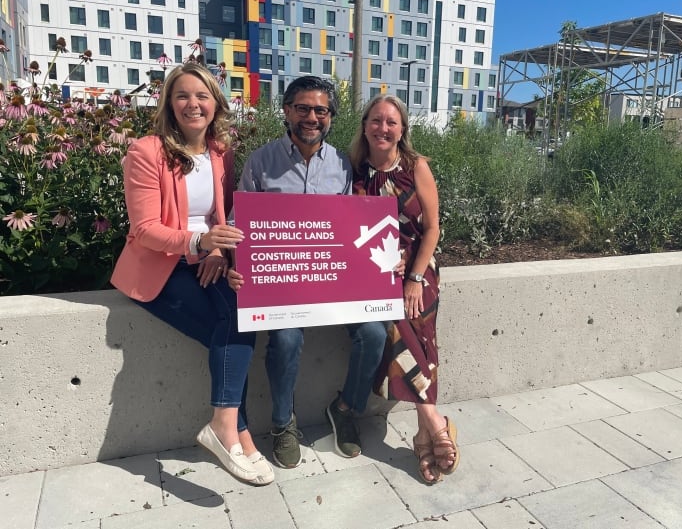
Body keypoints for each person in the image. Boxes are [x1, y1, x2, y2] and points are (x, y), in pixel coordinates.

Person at [110, 63, 274, 486]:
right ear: (169, 104)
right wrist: (201, 244)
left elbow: (221, 215)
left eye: (201, 96)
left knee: (241, 319)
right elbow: (144, 230)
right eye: (182, 95)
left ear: (215, 103)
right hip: (161, 270)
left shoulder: (221, 151)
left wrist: (218, 249)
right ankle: (237, 433)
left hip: (209, 261)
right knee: (233, 331)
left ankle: (227, 429)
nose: (193, 104)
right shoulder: (147, 152)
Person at [228, 76, 389, 469]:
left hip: (332, 283)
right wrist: (236, 265)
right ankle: (283, 423)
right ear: (286, 111)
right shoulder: (260, 162)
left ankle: (346, 409)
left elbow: (355, 228)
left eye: (321, 110)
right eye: (303, 108)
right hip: (282, 286)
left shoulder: (342, 166)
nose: (312, 117)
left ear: (331, 117)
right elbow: (239, 225)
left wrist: (388, 260)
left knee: (374, 333)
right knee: (284, 340)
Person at [349, 95, 459, 484]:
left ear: (402, 130)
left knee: (407, 315)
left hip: (417, 267)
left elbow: (432, 228)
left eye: (391, 122)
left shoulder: (416, 168)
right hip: (374, 271)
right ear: (364, 126)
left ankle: (425, 425)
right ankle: (430, 423)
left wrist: (412, 275)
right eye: (376, 121)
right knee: (396, 318)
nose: (383, 128)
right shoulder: (355, 174)